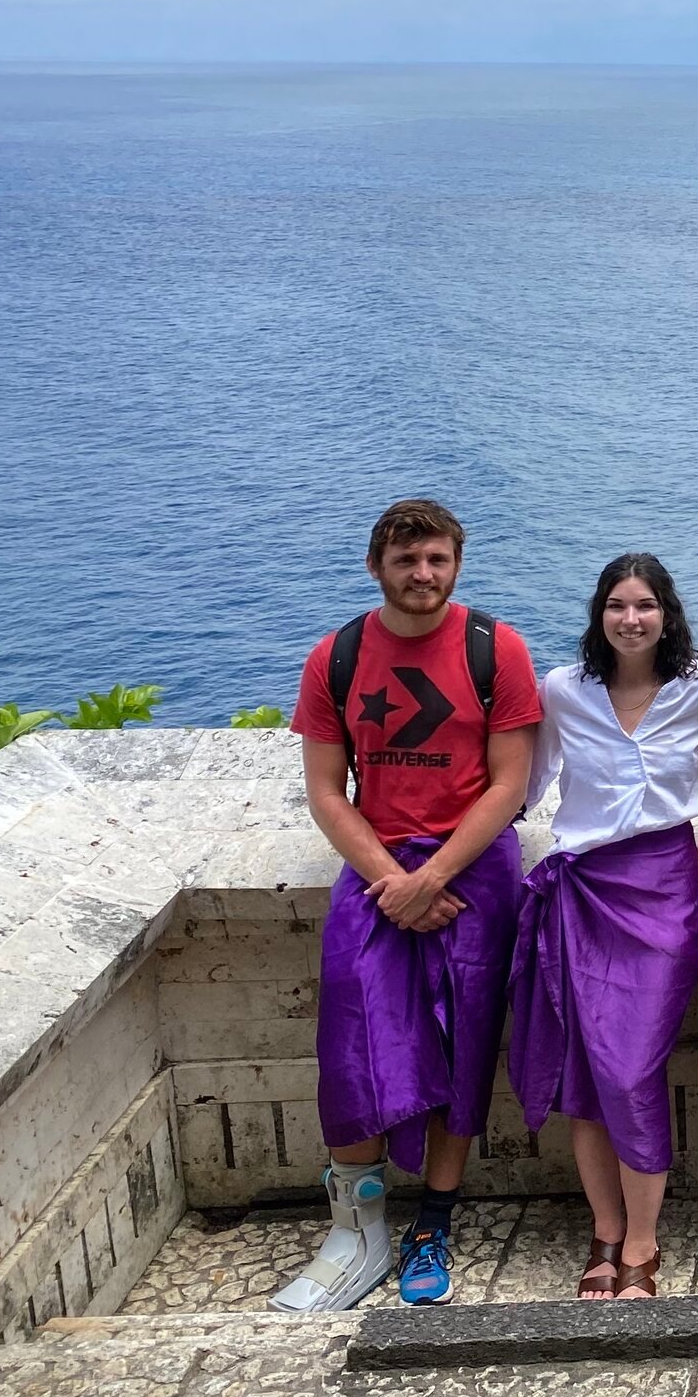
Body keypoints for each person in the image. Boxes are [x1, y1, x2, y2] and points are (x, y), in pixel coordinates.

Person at [274, 499, 542, 1312]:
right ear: (376, 567)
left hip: (472, 872)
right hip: (379, 869)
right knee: (352, 1032)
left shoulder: (497, 650)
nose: (422, 575)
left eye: (436, 560)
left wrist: (435, 877)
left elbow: (510, 784)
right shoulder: (339, 656)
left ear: (457, 563)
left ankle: (434, 1222)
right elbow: (326, 790)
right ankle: (356, 1224)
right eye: (405, 562)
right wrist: (395, 879)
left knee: (463, 1045)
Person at [509, 554, 698, 1301]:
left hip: (666, 889)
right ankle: (605, 1232)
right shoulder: (564, 690)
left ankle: (643, 1240)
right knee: (586, 1072)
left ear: (666, 613)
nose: (630, 619)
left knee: (632, 1068)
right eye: (616, 605)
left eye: (644, 605)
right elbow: (528, 780)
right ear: (598, 613)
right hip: (583, 889)